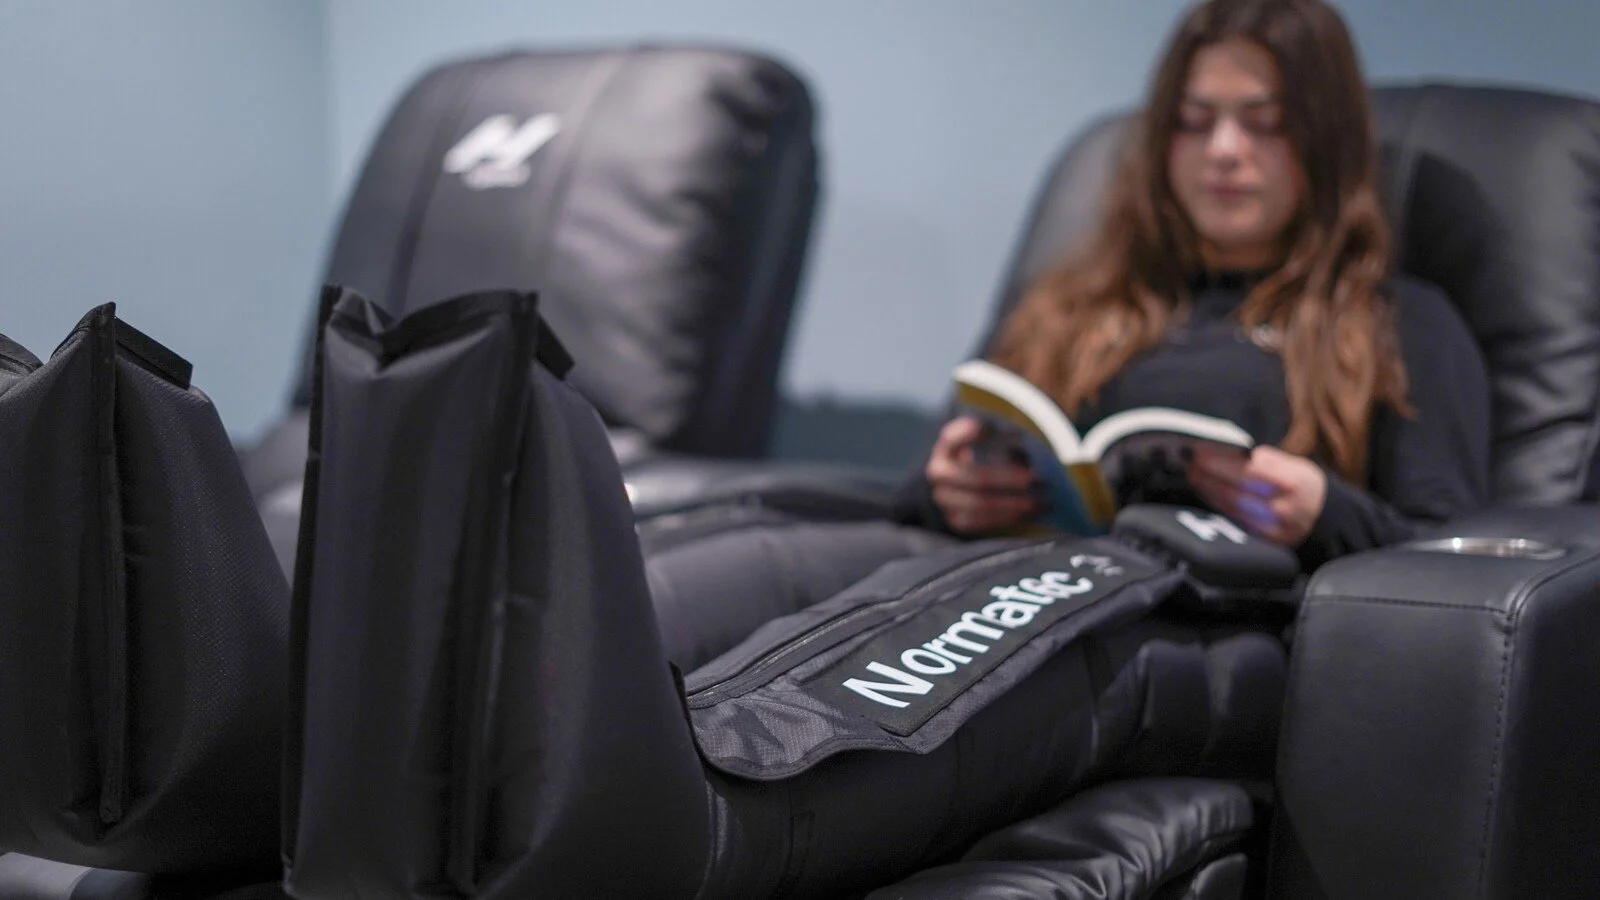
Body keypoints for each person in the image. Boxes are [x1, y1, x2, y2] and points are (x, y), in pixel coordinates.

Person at [896, 0, 1490, 571]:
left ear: (1326, 143)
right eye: (1193, 121)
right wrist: (951, 492)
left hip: (1214, 611)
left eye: (1267, 123)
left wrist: (1327, 516)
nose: (1223, 151)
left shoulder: (1400, 324)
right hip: (1021, 583)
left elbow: (1453, 564)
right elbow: (918, 490)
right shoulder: (1066, 303)